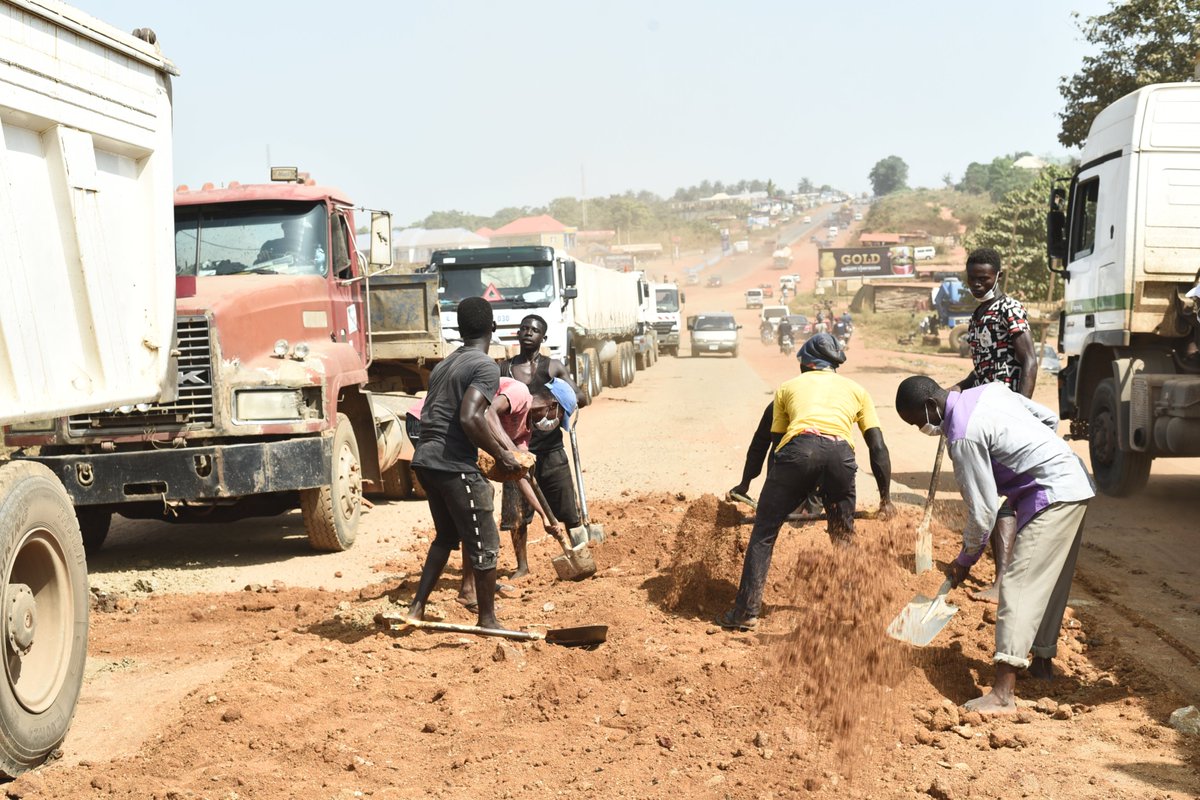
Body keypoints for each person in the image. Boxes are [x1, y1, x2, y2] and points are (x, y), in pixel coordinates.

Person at [894, 376, 1094, 712]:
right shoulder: (989, 391)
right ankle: (1042, 665)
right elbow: (1047, 419)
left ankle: (1002, 694)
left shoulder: (962, 436)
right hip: (1072, 481)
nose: (921, 429)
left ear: (930, 406)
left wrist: (965, 559)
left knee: (1017, 585)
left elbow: (984, 513)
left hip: (1050, 492)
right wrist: (1026, 461)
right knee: (1050, 582)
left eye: (917, 422)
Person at [718, 334, 895, 631]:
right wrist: (885, 499)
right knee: (843, 536)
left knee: (764, 533)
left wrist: (762, 493)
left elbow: (774, 447)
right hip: (841, 456)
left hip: (799, 451)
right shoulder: (858, 391)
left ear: (806, 364)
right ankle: (857, 613)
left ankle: (746, 612)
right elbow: (877, 447)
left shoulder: (787, 388)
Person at [406, 297, 521, 630]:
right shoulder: (485, 366)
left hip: (426, 460)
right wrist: (501, 454)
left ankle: (416, 609)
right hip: (452, 463)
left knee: (445, 536)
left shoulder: (445, 364)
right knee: (485, 542)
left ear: (459, 328)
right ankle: (488, 619)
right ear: (493, 327)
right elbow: (470, 417)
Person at [951, 247, 1039, 604]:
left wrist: (1023, 409)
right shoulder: (977, 317)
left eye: (984, 279)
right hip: (984, 411)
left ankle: (1004, 581)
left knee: (1003, 496)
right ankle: (1002, 577)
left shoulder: (1009, 309)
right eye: (972, 278)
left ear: (997, 276)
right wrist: (957, 388)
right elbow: (984, 370)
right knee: (997, 493)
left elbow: (1029, 360)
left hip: (1007, 413)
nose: (977, 284)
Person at [456, 378, 562, 609]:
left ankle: (475, 583)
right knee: (476, 513)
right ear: (552, 405)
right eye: (559, 416)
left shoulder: (524, 432)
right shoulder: (520, 393)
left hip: (468, 442)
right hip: (455, 435)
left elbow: (521, 475)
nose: (555, 422)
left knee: (479, 512)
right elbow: (489, 415)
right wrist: (511, 450)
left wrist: (544, 515)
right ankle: (469, 588)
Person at [500, 315, 588, 540]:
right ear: (518, 334)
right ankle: (522, 560)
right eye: (524, 328)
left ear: (543, 338)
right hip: (518, 453)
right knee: (517, 519)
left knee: (570, 512)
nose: (528, 332)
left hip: (551, 451)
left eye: (534, 330)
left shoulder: (553, 367)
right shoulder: (504, 369)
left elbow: (581, 397)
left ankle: (579, 550)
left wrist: (552, 401)